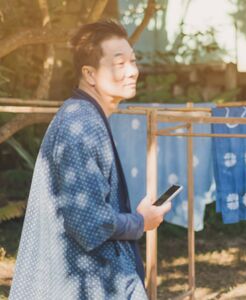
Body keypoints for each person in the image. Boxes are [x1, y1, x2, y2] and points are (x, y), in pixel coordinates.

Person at [9, 20, 171, 299]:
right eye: (119, 64)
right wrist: (140, 222)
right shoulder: (80, 123)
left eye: (133, 61)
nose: (132, 71)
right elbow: (90, 224)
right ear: (90, 74)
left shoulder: (84, 116)